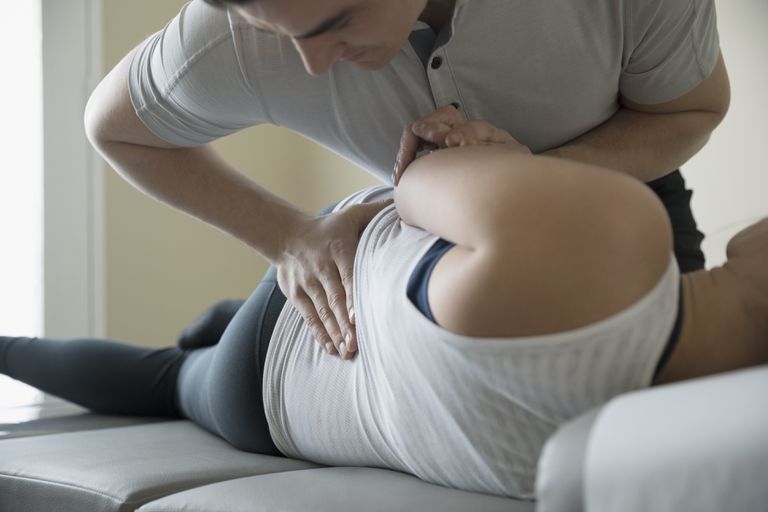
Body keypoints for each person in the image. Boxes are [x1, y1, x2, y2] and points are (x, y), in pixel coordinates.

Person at [2, 144, 766, 499]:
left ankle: (218, 318)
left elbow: (416, 175)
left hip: (300, 323)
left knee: (177, 363)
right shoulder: (637, 436)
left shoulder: (613, 235)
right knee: (170, 380)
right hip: (277, 413)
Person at [84, 0, 731, 359]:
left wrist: (528, 185)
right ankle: (256, 322)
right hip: (414, 248)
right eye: (275, 34)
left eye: (337, 21)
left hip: (621, 203)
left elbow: (690, 111)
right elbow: (113, 128)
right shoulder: (224, 33)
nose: (311, 66)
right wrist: (289, 239)